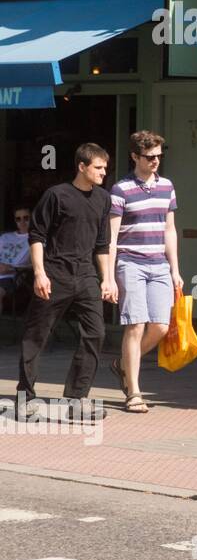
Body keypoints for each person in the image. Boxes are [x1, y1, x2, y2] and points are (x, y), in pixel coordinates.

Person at [15, 143, 116, 421]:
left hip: (86, 275)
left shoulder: (103, 199)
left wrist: (107, 279)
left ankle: (76, 397)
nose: (103, 173)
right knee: (37, 335)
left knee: (96, 333)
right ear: (82, 166)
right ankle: (25, 397)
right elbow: (37, 236)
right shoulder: (56, 195)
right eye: (98, 167)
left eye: (105, 167)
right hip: (55, 272)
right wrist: (39, 273)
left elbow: (102, 244)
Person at [107, 131, 183, 414]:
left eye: (159, 156)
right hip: (131, 262)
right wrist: (110, 275)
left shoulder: (167, 186)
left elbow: (169, 229)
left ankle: (121, 365)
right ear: (135, 157)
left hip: (159, 264)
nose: (155, 161)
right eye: (150, 157)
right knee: (135, 325)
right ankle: (134, 391)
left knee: (161, 327)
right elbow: (112, 237)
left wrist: (175, 269)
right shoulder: (120, 189)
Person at [0, 205, 32, 307]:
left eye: (26, 218)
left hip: (10, 277)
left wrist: (12, 268)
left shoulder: (35, 239)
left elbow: (37, 265)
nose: (22, 222)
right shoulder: (5, 237)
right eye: (18, 219)